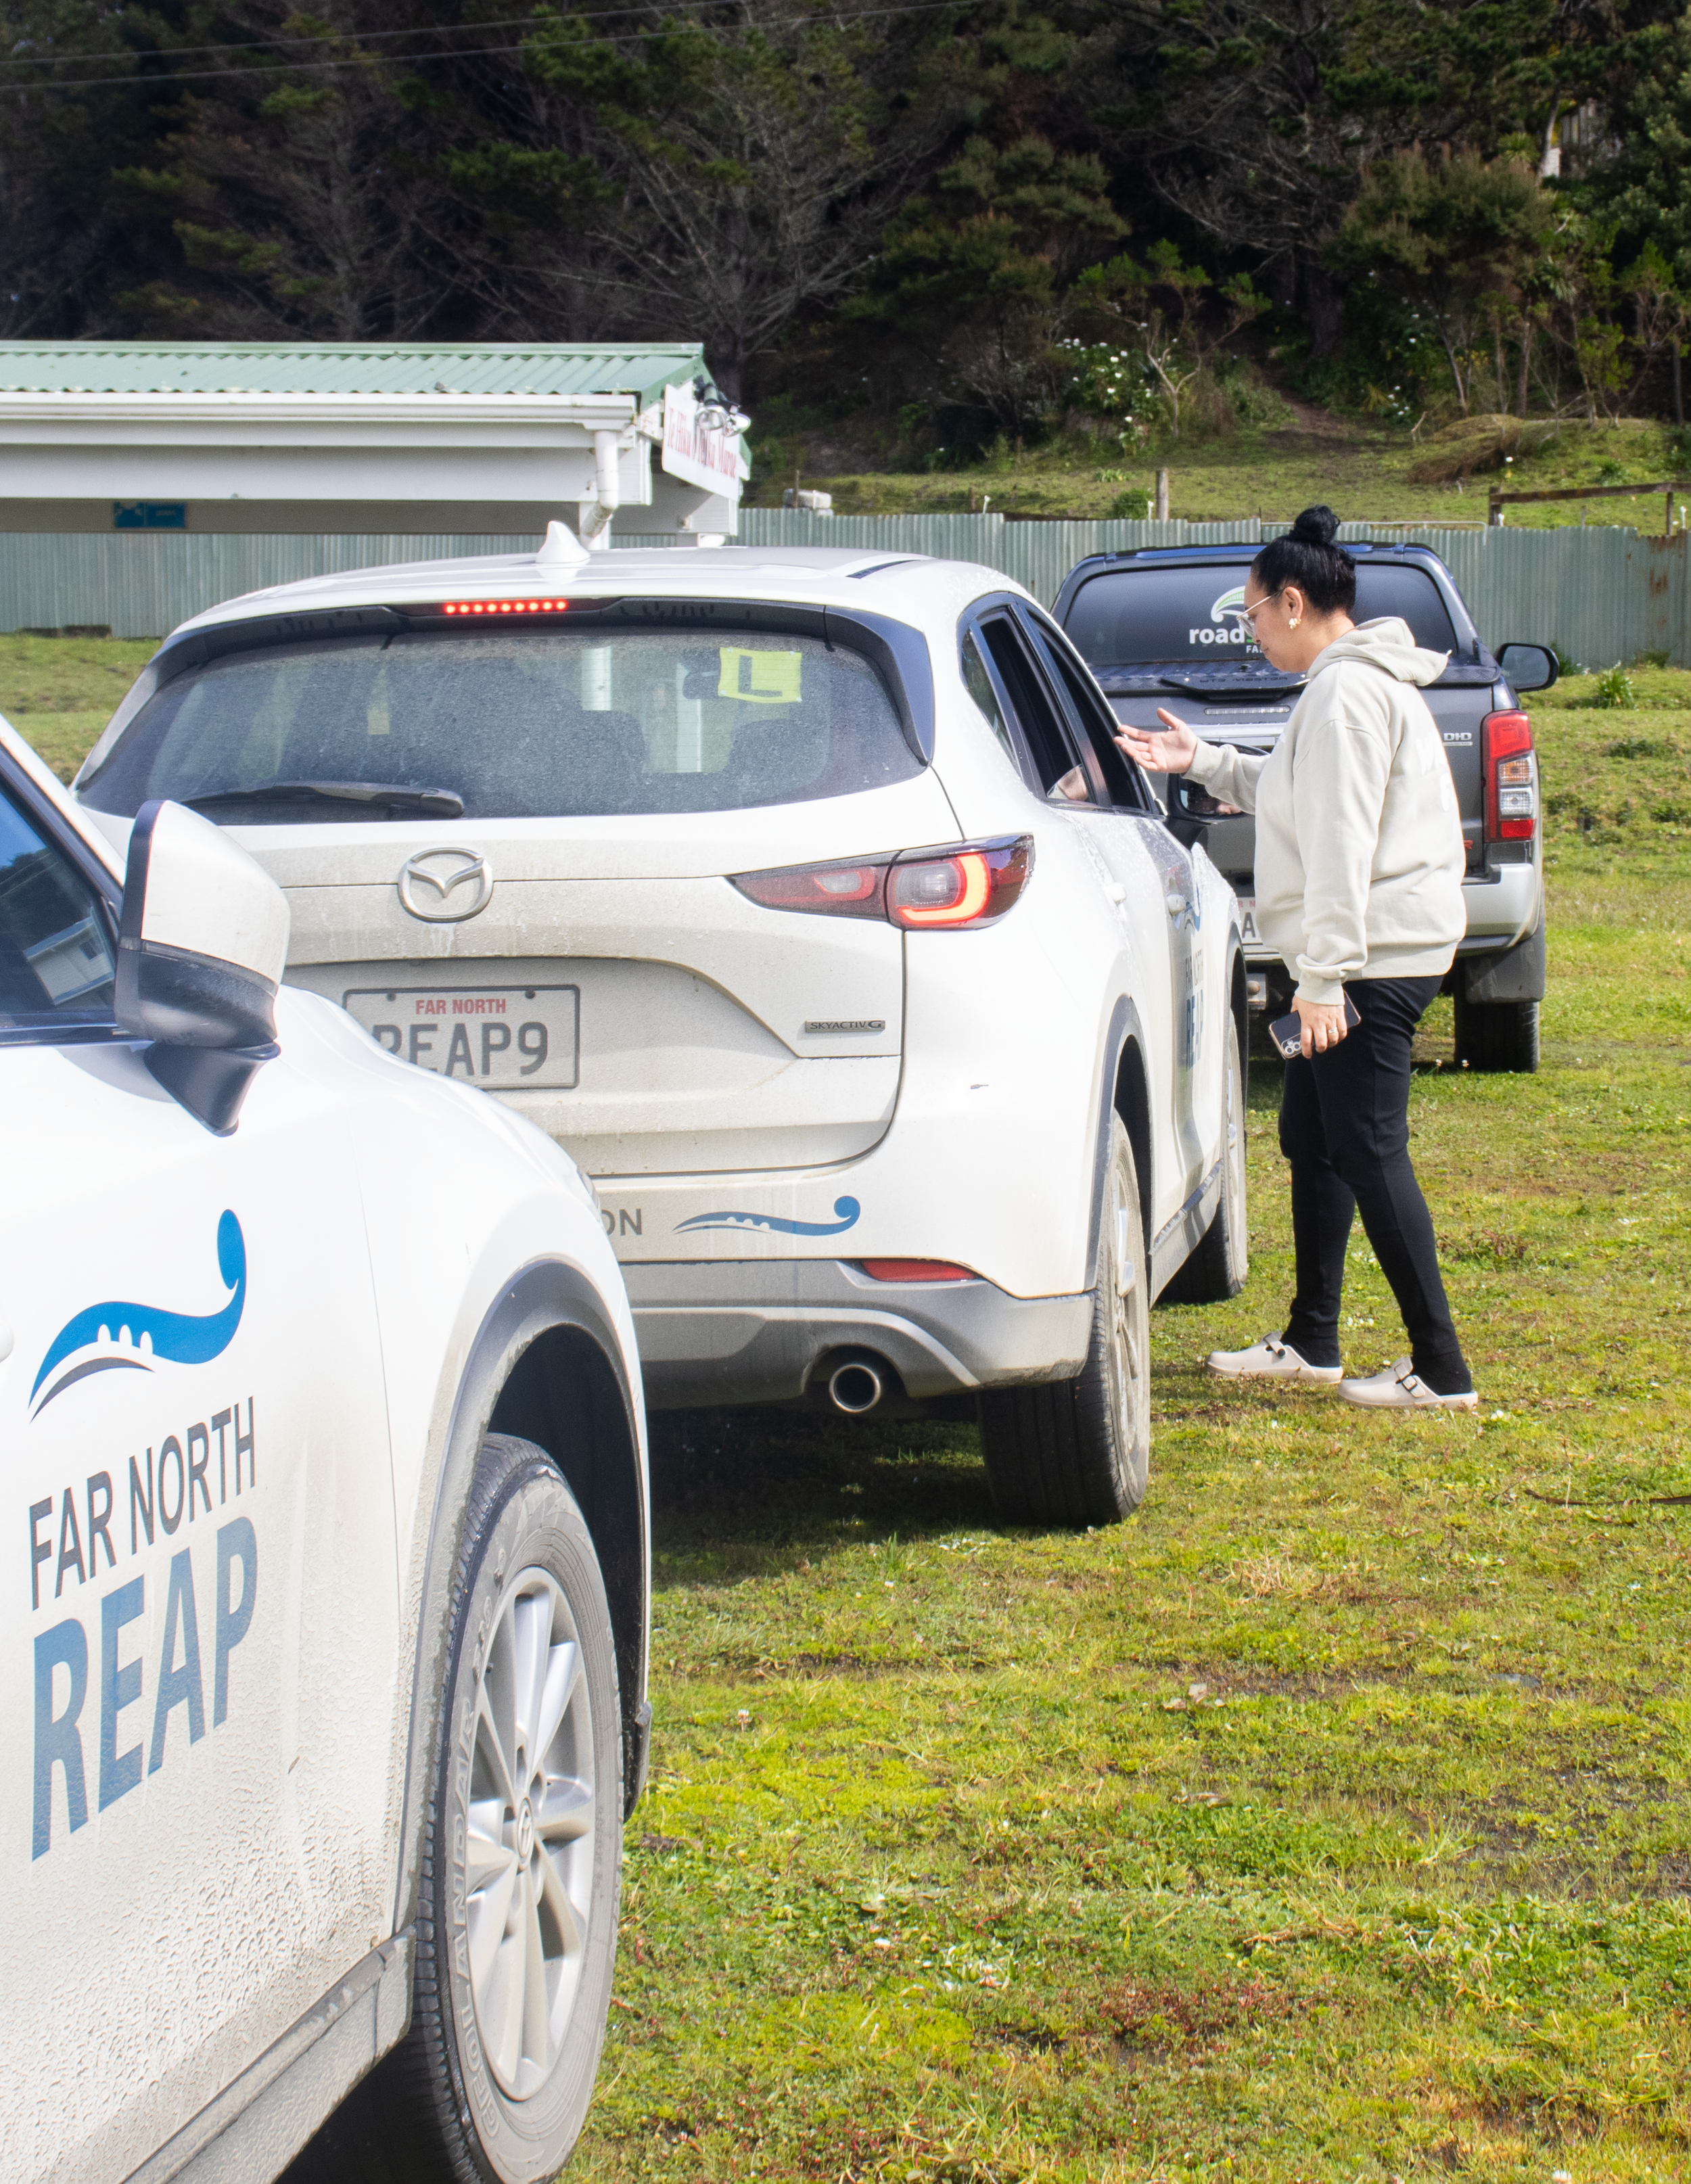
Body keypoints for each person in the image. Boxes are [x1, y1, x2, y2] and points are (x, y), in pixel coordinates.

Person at [1116, 505, 1477, 1410]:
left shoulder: (1349, 694)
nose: (1251, 634)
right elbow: (1293, 785)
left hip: (1371, 961)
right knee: (1311, 1137)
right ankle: (1313, 1341)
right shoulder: (1345, 686)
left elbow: (1342, 844)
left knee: (1367, 1148)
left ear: (1290, 600)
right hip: (1376, 951)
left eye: (1250, 615)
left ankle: (1440, 1369)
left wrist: (1322, 982)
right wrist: (1198, 757)